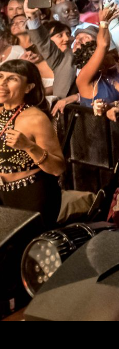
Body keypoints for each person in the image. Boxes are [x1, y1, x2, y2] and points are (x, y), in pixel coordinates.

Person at [0, 60, 66, 226]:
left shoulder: (36, 118)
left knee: (29, 249)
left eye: (12, 79)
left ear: (29, 87)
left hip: (32, 195)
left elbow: (58, 168)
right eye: (0, 77)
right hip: (2, 194)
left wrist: (29, 146)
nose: (3, 83)